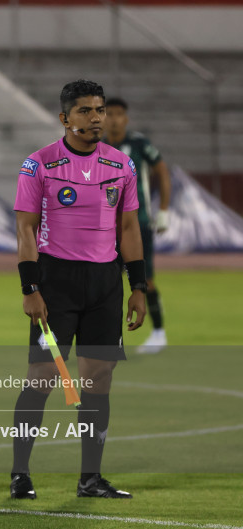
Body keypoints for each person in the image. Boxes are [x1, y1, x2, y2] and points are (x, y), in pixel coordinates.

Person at [10, 79, 146, 500]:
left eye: (99, 110)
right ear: (64, 118)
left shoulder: (121, 166)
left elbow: (128, 228)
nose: (95, 118)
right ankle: (20, 473)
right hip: (56, 283)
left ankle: (90, 478)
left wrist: (137, 286)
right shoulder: (40, 164)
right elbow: (26, 229)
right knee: (44, 376)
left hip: (104, 283)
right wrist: (30, 287)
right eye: (85, 111)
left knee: (98, 379)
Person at [105, 97, 171, 353]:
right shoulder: (97, 146)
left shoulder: (138, 143)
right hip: (107, 226)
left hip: (138, 223)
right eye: (109, 113)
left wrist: (163, 210)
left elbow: (162, 172)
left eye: (118, 113)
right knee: (107, 282)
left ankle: (158, 333)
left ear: (126, 118)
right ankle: (110, 340)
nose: (113, 118)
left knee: (146, 280)